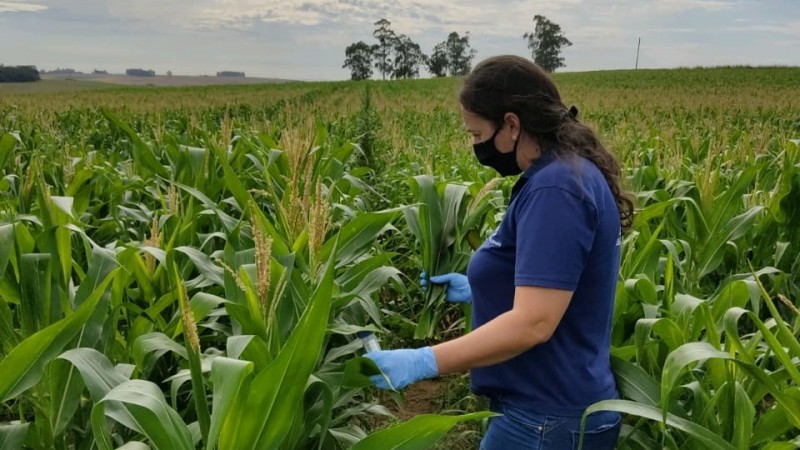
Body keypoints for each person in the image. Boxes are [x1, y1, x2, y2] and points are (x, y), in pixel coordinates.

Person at [365, 54, 634, 450]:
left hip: (544, 417)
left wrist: (421, 360)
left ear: (511, 124)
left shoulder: (556, 189)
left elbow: (534, 323)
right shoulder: (567, 174)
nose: (475, 146)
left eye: (476, 135)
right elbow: (559, 287)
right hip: (552, 411)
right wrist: (481, 288)